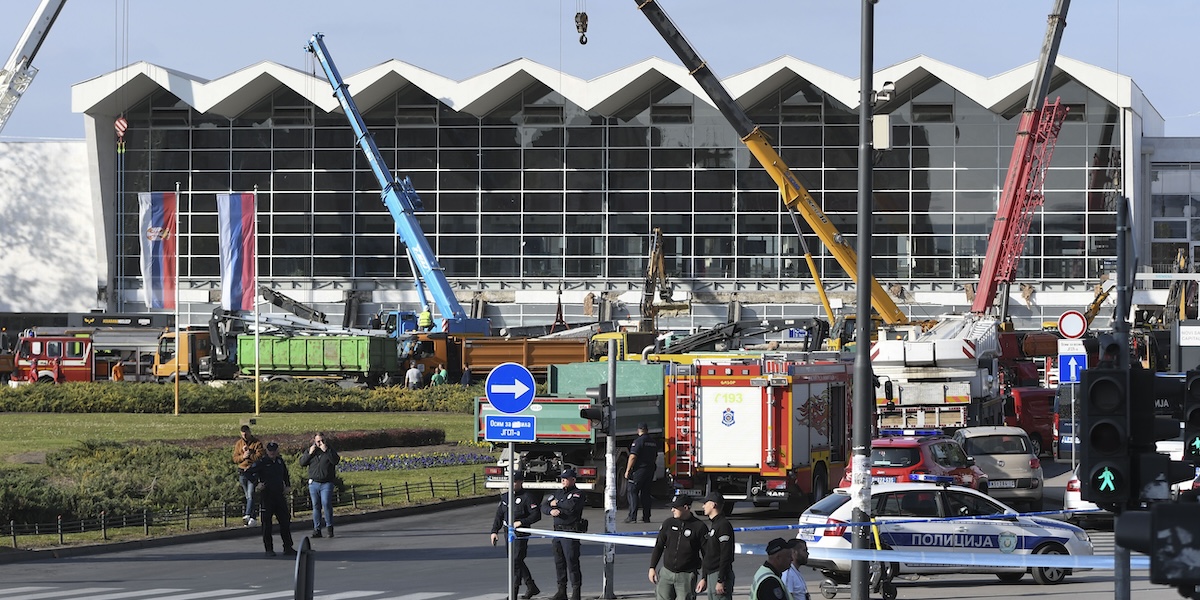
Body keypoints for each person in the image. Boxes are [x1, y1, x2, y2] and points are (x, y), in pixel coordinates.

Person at [490, 471, 542, 599]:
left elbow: (536, 515)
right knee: (514, 561)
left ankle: (513, 593)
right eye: (510, 481)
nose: (512, 484)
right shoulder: (505, 497)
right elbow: (499, 515)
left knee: (516, 561)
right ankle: (531, 586)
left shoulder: (527, 496)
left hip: (520, 533)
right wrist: (494, 531)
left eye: (514, 481)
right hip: (508, 533)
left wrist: (522, 522)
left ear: (520, 482)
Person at [648, 497, 708, 600]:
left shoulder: (699, 527)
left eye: (675, 507)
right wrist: (652, 567)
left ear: (685, 507)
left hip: (686, 575)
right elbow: (659, 546)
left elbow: (706, 554)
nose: (672, 510)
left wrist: (704, 578)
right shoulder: (668, 523)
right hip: (666, 573)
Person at [244, 441, 296, 558]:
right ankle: (269, 548)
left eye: (274, 450)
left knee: (285, 521)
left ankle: (288, 546)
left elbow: (285, 474)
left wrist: (287, 485)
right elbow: (247, 472)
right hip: (267, 496)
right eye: (270, 450)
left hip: (279, 495)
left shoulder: (279, 461)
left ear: (277, 451)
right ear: (267, 451)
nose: (272, 452)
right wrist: (257, 483)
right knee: (267, 524)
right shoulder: (262, 462)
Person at [544, 467, 586, 600]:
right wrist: (551, 510)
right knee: (559, 561)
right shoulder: (558, 493)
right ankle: (561, 590)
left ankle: (576, 592)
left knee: (572, 561)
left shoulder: (578, 493)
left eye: (566, 479)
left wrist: (557, 505)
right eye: (562, 479)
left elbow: (572, 507)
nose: (563, 481)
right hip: (558, 531)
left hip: (570, 531)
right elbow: (544, 506)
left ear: (573, 480)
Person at [299, 431, 340, 538]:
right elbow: (302, 463)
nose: (320, 443)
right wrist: (309, 454)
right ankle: (317, 529)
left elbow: (335, 461)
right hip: (314, 483)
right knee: (316, 506)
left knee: (326, 503)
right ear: (314, 441)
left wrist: (327, 451)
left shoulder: (329, 450)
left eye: (322, 441)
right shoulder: (311, 451)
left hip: (326, 483)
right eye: (318, 441)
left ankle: (329, 527)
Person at [699, 491, 735, 600]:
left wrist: (720, 579)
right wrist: (704, 577)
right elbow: (709, 554)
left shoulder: (723, 525)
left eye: (706, 503)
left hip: (718, 574)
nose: (703, 506)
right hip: (711, 574)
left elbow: (726, 554)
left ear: (714, 505)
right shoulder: (715, 525)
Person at [625, 422, 658, 523]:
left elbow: (633, 456)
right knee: (646, 493)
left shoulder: (638, 441)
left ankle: (632, 516)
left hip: (640, 470)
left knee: (632, 491)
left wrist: (627, 470)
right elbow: (655, 456)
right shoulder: (653, 442)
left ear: (638, 430)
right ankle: (646, 517)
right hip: (650, 469)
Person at [233, 425, 265, 527]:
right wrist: (243, 456)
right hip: (242, 472)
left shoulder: (257, 443)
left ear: (249, 432)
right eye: (243, 435)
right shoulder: (239, 444)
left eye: (246, 434)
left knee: (251, 494)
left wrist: (249, 454)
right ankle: (253, 518)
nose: (245, 436)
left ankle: (247, 515)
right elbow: (235, 458)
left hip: (253, 471)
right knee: (248, 496)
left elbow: (260, 457)